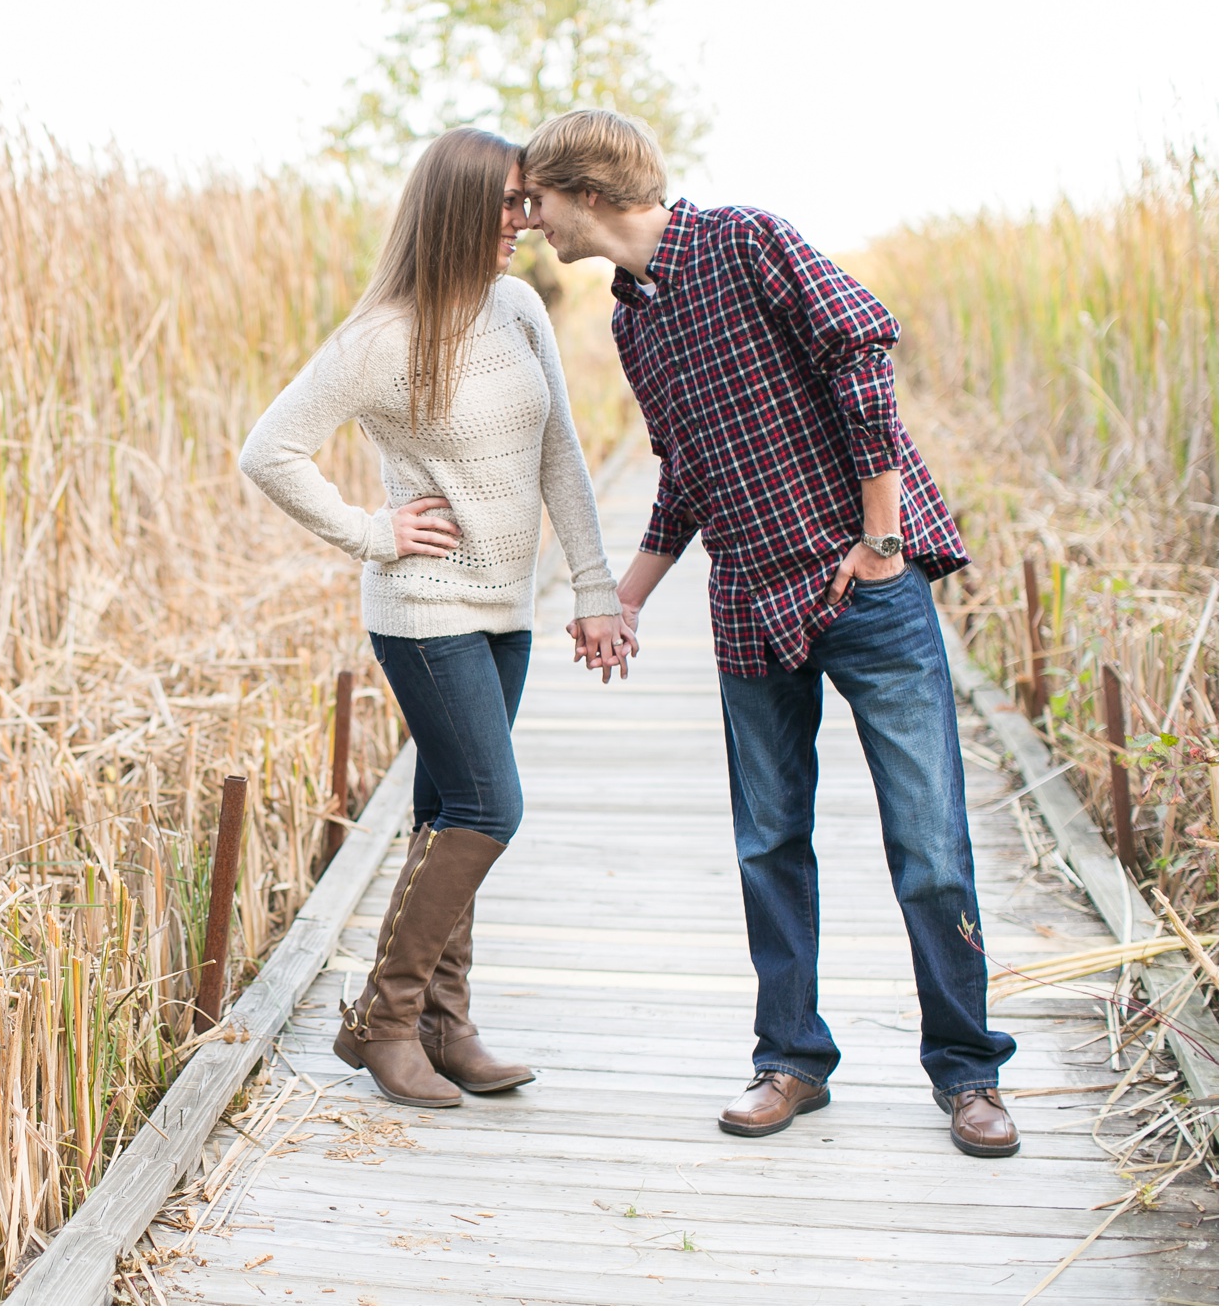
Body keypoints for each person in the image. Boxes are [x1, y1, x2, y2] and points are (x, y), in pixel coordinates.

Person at [521, 109, 1021, 1157]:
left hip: (863, 583)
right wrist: (622, 596)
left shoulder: (745, 239)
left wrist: (881, 535)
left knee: (927, 846)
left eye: (538, 200)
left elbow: (861, 345)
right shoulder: (631, 319)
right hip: (748, 598)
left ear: (592, 195)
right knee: (766, 843)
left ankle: (966, 1072)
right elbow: (685, 476)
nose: (528, 221)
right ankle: (790, 1059)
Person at [239, 127, 631, 1108]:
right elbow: (270, 450)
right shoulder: (379, 339)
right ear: (457, 209)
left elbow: (561, 457)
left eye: (527, 202)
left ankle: (445, 1025)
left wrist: (591, 585)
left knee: (447, 809)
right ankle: (382, 1020)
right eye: (507, 203)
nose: (524, 221)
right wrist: (372, 531)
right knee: (490, 808)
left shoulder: (515, 308)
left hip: (507, 607)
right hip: (423, 608)